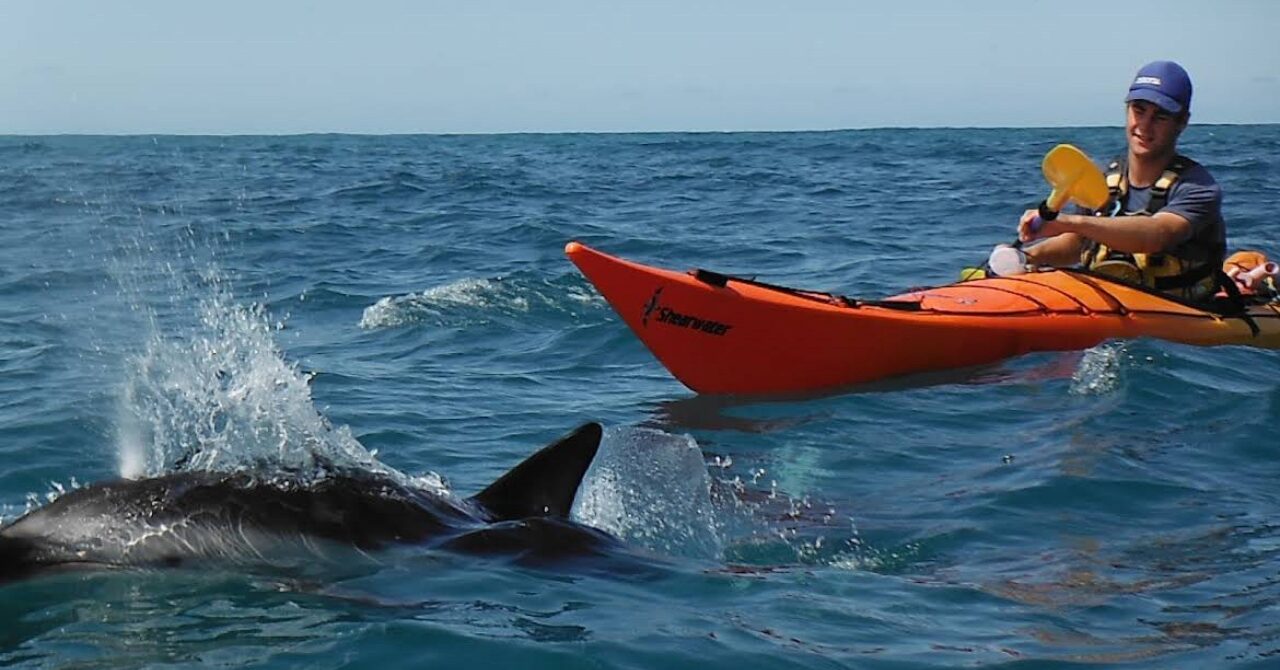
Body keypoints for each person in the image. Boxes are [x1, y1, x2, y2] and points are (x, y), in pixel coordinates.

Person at [1013, 60, 1226, 302]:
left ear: (1182, 122)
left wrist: (1070, 221)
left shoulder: (1199, 188)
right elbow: (1077, 244)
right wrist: (1028, 256)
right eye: (1139, 110)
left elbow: (1157, 234)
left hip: (1180, 311)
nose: (1144, 126)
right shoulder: (1103, 179)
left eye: (1161, 116)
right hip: (1106, 304)